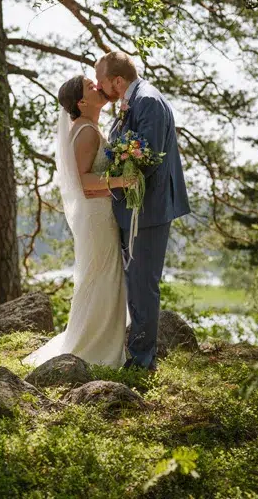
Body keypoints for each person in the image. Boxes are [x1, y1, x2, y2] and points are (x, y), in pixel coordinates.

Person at [22, 75, 135, 368]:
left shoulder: (88, 127)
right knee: (102, 276)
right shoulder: (85, 131)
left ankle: (100, 342)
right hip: (96, 215)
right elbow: (83, 182)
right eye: (90, 85)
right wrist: (125, 180)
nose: (98, 86)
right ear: (82, 101)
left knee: (103, 276)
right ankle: (93, 349)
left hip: (100, 213)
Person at [94, 52, 190, 371]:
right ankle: (138, 353)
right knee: (135, 281)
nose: (99, 86)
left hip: (146, 209)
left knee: (143, 283)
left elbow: (145, 160)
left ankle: (142, 361)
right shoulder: (132, 101)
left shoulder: (147, 101)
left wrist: (114, 184)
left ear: (118, 81)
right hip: (135, 207)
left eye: (102, 81)